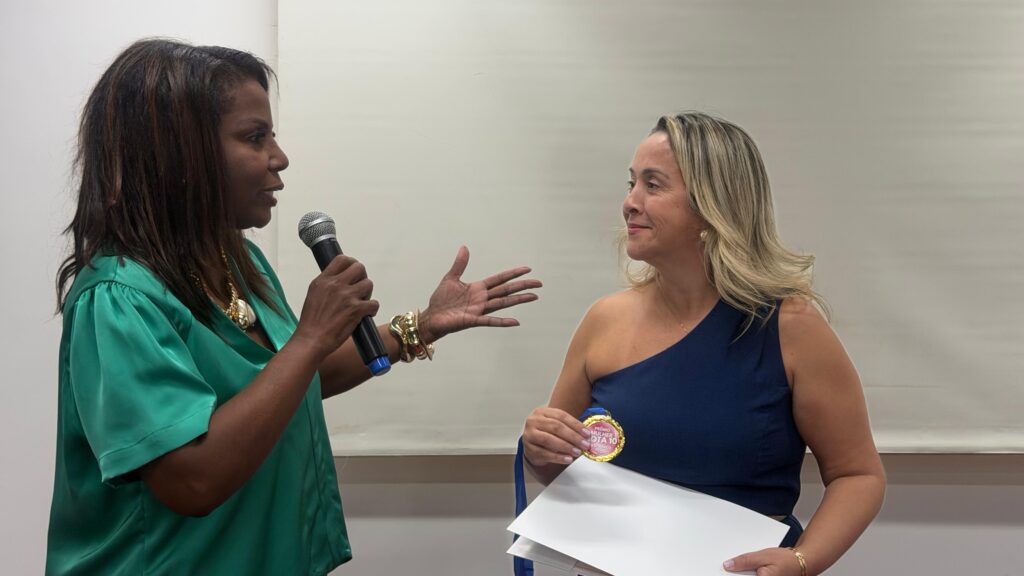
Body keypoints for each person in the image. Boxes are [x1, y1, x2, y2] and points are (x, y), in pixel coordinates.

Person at [47, 38, 541, 576]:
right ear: (177, 154)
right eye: (255, 138)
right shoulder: (118, 298)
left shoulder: (240, 263)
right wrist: (309, 336)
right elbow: (192, 479)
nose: (280, 158)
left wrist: (420, 327)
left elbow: (291, 380)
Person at [521, 112, 885, 575]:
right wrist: (540, 450)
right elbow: (566, 471)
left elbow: (858, 475)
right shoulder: (604, 320)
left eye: (653, 185)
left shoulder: (791, 328)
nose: (629, 203)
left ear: (714, 204)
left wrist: (802, 560)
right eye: (632, 183)